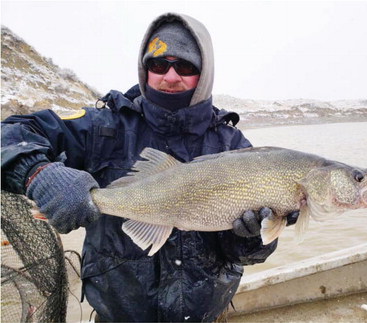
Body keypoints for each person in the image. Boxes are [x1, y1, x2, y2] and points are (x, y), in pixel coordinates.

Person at [1, 12, 298, 322]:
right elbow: (10, 132)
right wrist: (38, 172)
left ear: (205, 72)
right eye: (158, 64)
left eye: (185, 66)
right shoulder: (103, 126)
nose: (170, 76)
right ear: (145, 69)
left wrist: (250, 237)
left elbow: (248, 255)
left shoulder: (234, 146)